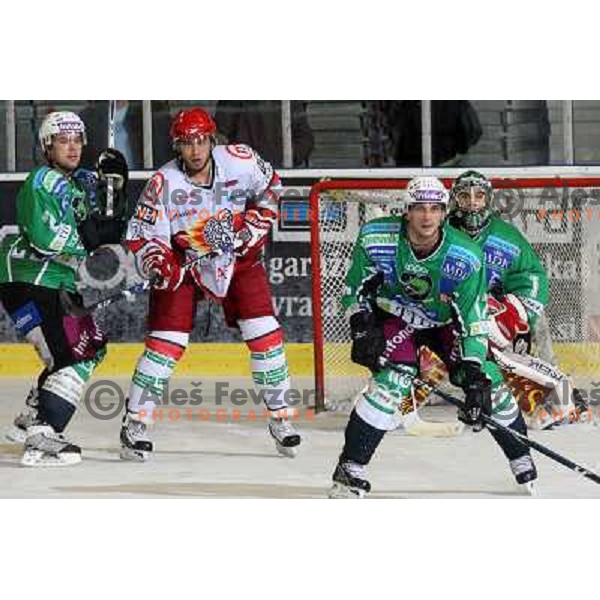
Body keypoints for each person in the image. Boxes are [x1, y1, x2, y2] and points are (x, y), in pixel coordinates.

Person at [329, 176, 537, 498]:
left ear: (443, 213)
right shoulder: (375, 237)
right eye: (419, 208)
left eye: (434, 209)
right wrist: (361, 327)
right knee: (390, 385)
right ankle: (350, 468)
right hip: (399, 316)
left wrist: (472, 369)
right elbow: (354, 290)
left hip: (445, 322)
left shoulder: (466, 255)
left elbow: (473, 319)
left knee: (489, 384)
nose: (427, 216)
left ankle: (521, 456)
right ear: (407, 211)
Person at [120, 107, 301, 461]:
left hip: (238, 259)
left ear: (212, 140)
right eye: (187, 143)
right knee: (165, 345)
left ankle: (281, 419)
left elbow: (272, 190)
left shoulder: (241, 160)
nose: (195, 150)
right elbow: (142, 237)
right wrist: (161, 263)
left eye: (201, 140)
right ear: (177, 146)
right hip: (184, 261)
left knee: (265, 334)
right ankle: (135, 423)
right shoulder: (163, 182)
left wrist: (255, 224)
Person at [0, 112, 128, 466]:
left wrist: (119, 193)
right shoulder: (43, 180)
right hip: (30, 278)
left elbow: (111, 225)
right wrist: (92, 237)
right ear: (47, 146)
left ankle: (33, 415)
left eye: (77, 139)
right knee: (72, 356)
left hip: (54, 281)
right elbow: (44, 239)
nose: (72, 146)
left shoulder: (85, 180)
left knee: (92, 347)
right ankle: (43, 437)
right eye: (62, 140)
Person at [445, 170, 586, 428]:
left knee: (501, 349)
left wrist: (519, 313)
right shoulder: (442, 232)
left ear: (488, 199)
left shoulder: (506, 236)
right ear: (455, 200)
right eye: (465, 196)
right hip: (454, 311)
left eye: (479, 195)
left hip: (496, 312)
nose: (473, 202)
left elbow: (531, 276)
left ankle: (565, 395)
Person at [215, 101, 314, 167]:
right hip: (251, 173)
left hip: (272, 172)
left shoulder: (289, 102)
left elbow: (304, 138)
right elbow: (220, 137)